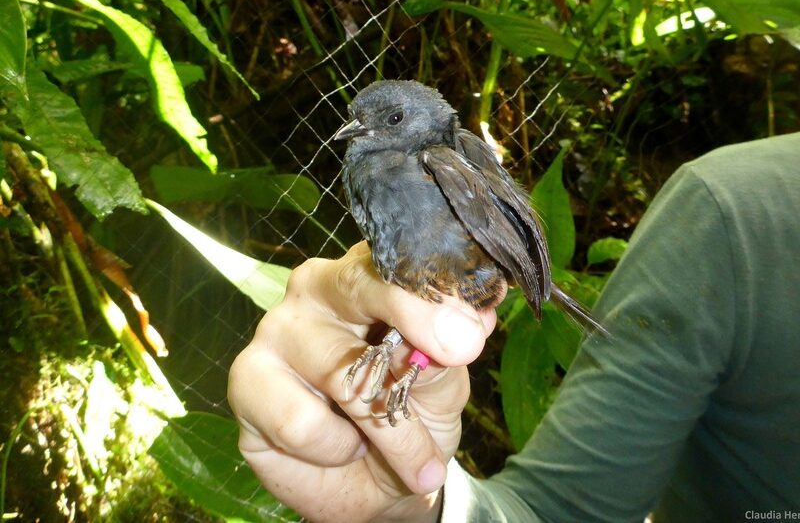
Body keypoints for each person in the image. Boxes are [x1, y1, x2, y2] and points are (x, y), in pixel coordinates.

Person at [228, 133, 800, 522]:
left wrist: (523, 271)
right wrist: (405, 503)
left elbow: (492, 231)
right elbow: (559, 511)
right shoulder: (739, 214)